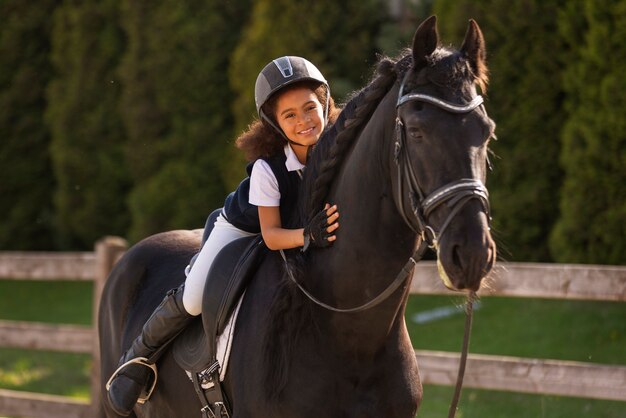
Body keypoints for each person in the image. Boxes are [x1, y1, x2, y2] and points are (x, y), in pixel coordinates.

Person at [106, 56, 341, 416]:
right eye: (289, 115)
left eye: (309, 108)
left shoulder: (335, 151)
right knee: (196, 297)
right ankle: (137, 359)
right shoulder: (268, 168)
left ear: (324, 103)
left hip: (295, 229)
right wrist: (308, 236)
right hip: (241, 230)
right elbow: (273, 236)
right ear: (275, 124)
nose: (304, 121)